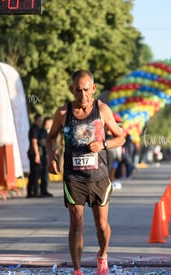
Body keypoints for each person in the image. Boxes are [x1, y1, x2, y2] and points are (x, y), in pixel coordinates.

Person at [46, 70, 125, 275]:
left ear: (94, 88)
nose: (83, 95)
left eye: (87, 90)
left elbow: (121, 137)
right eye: (78, 91)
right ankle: (77, 269)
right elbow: (50, 137)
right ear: (72, 89)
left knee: (101, 224)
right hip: (74, 178)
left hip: (98, 177)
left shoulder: (102, 110)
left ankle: (102, 255)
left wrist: (103, 144)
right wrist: (50, 157)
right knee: (76, 223)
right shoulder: (63, 113)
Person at [27, 114, 43, 198]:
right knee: (35, 173)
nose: (40, 123)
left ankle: (31, 192)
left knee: (34, 173)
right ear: (35, 120)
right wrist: (37, 155)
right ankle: (34, 192)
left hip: (34, 153)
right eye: (39, 121)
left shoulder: (39, 129)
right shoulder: (34, 129)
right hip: (33, 153)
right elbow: (34, 142)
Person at [38, 117, 54, 197]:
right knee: (43, 173)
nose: (52, 124)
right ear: (46, 123)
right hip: (42, 155)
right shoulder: (42, 131)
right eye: (51, 122)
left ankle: (45, 190)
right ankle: (42, 191)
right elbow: (41, 141)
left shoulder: (48, 131)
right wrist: (49, 144)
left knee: (46, 174)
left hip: (46, 154)